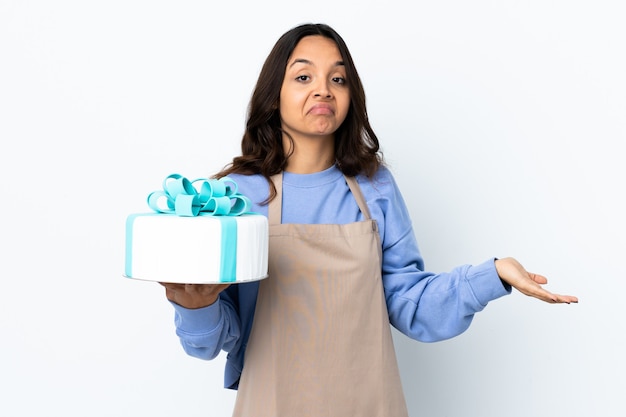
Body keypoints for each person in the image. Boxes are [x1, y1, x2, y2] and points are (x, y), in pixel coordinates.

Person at [160, 23, 578, 416]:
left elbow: (410, 305)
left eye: (337, 79)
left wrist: (494, 275)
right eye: (303, 77)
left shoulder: (375, 187)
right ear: (273, 96)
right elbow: (216, 339)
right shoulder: (236, 196)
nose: (323, 90)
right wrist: (196, 305)